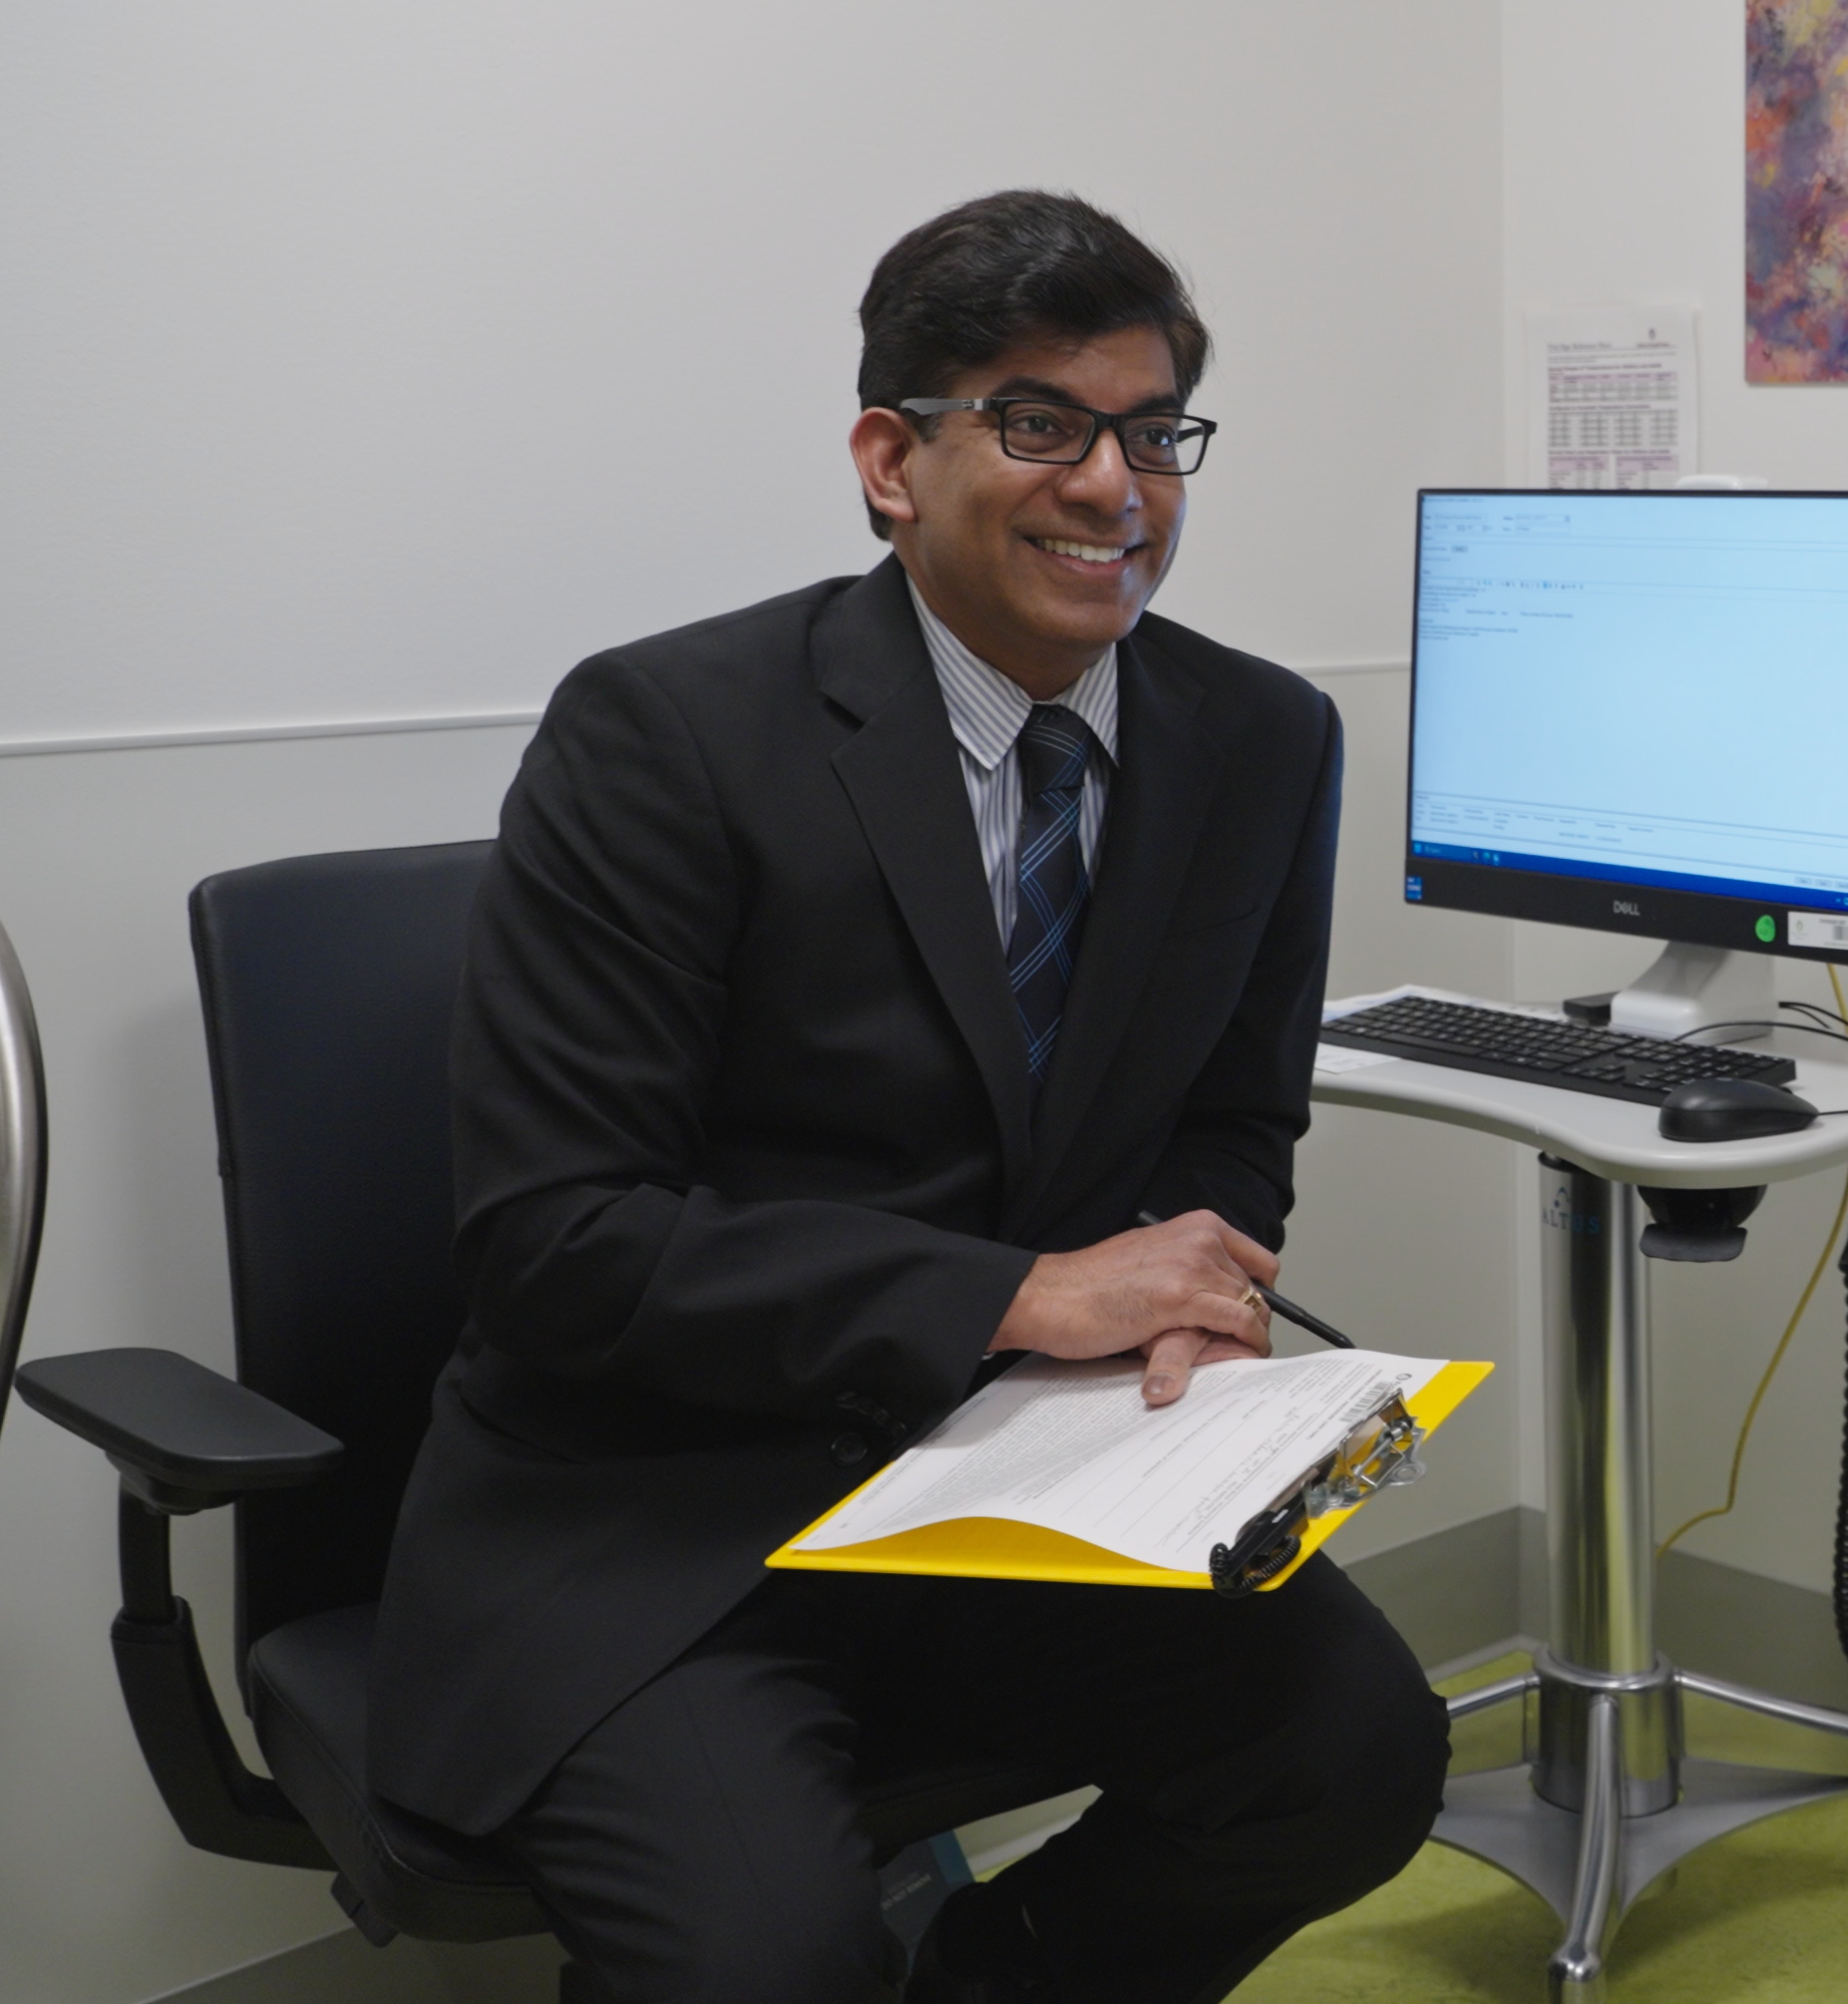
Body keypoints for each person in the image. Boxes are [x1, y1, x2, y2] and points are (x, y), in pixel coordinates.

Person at [365, 191, 1446, 2004]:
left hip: (1032, 1482)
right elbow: (559, 1247)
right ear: (891, 459)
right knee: (768, 1957)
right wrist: (1018, 1296)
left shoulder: (1262, 742)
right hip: (671, 1512)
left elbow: (1233, 1127)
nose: (1114, 486)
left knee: (1356, 1754)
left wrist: (1191, 1314)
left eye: (1154, 432)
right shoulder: (665, 737)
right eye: (1038, 424)